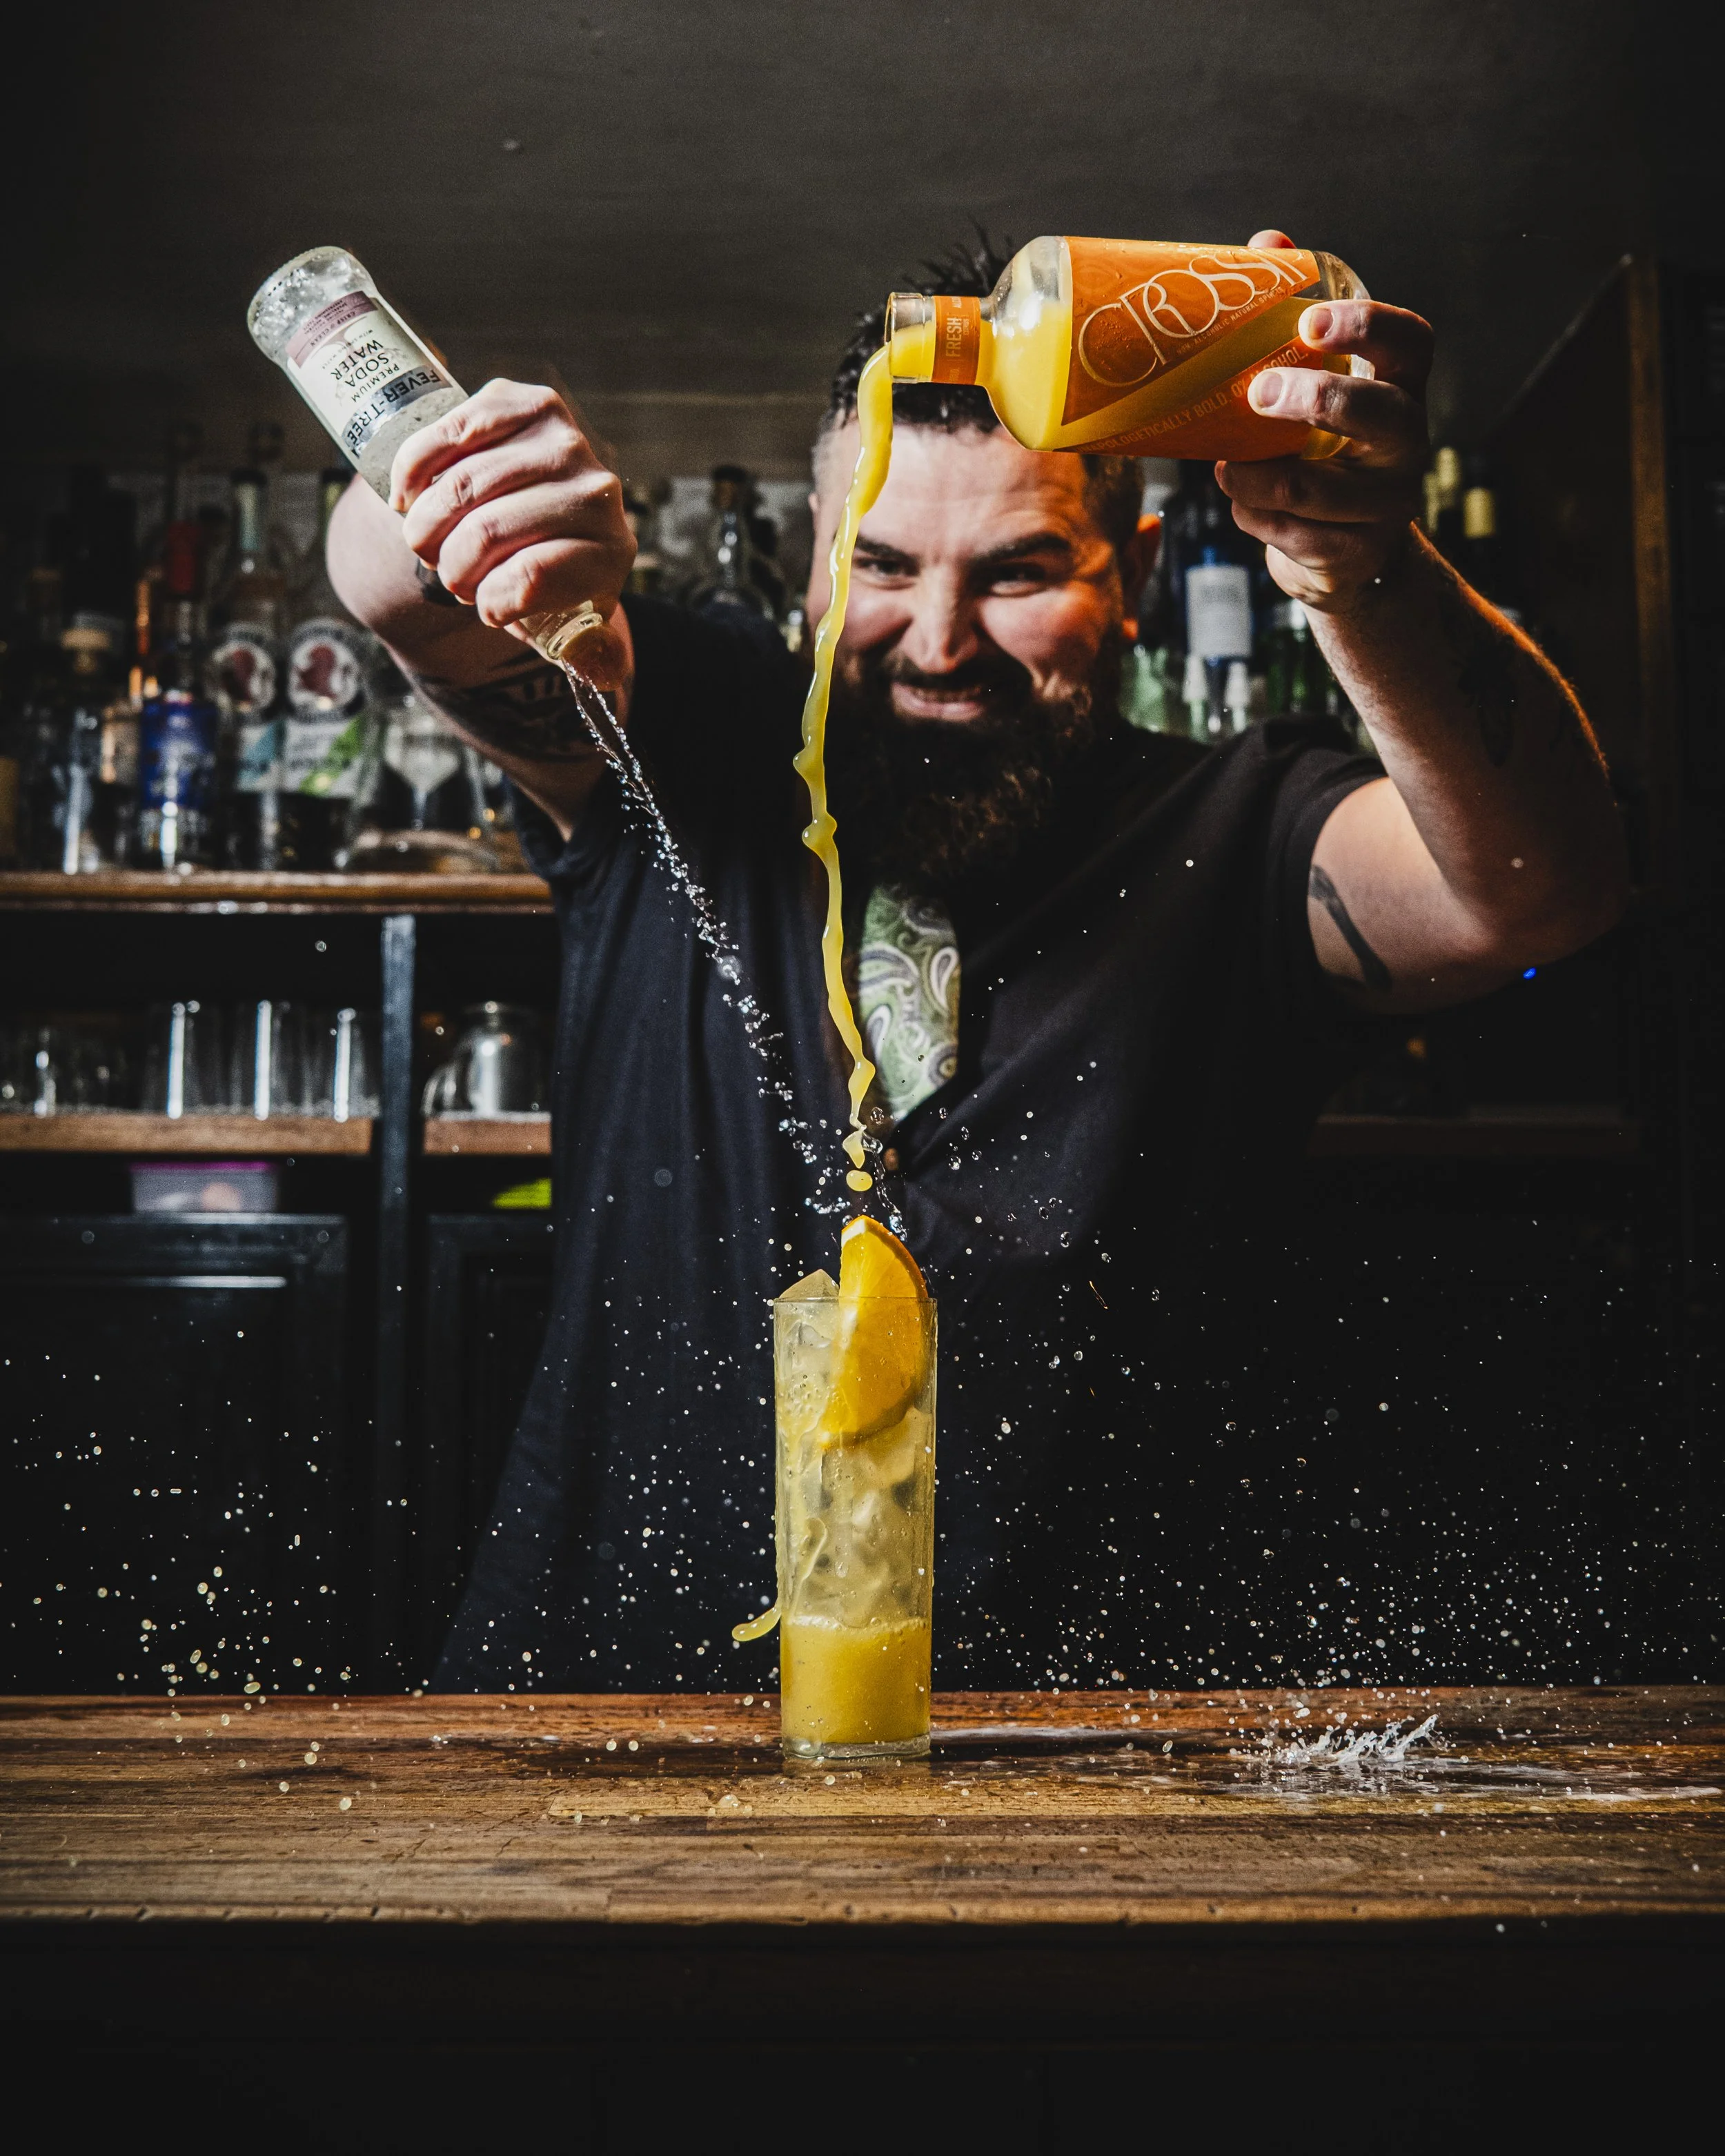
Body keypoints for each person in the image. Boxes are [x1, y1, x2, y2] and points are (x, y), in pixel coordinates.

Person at [328, 233, 1626, 1691]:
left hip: (1068, 1777)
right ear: (813, 566)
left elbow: (1532, 895)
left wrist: (1360, 565)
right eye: (879, 563)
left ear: (1124, 574)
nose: (938, 638)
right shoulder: (689, 743)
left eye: (1017, 572)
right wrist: (443, 507)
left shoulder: (1239, 829)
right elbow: (412, 604)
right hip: (588, 1726)